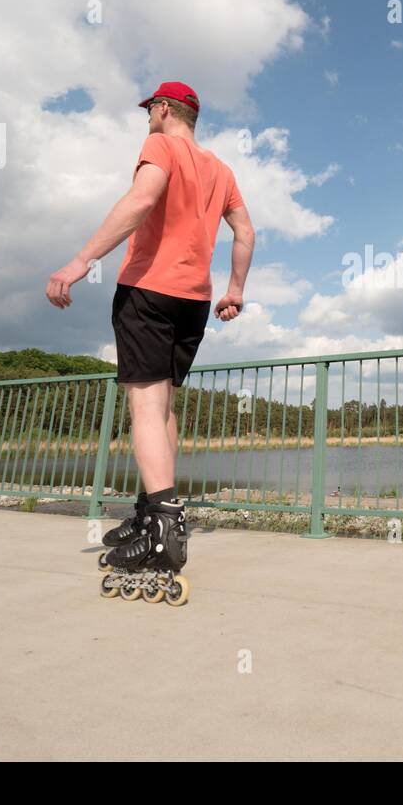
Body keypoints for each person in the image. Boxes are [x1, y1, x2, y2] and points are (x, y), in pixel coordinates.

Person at [45, 81, 254, 573]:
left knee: (144, 406)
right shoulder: (221, 170)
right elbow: (244, 231)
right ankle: (150, 508)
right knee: (163, 409)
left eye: (150, 111)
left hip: (149, 290)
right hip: (195, 301)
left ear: (163, 109)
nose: (147, 119)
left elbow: (142, 199)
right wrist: (235, 289)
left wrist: (79, 262)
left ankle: (164, 526)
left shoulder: (161, 144)